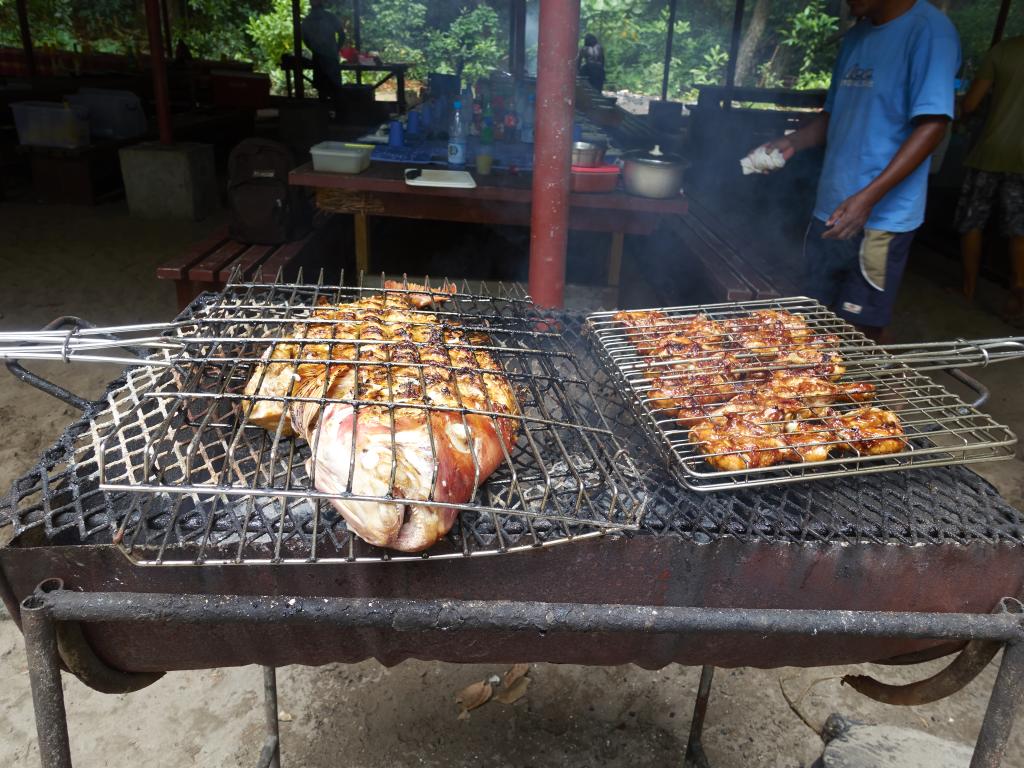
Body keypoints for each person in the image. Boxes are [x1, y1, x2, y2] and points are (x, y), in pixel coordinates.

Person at [756, 0, 960, 338]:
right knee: (810, 317)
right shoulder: (856, 36)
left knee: (857, 330)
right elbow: (833, 116)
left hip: (879, 220)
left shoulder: (930, 32)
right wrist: (792, 142)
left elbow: (932, 126)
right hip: (830, 210)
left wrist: (868, 198)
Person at [955, 35, 1024, 322]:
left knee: (973, 221)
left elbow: (970, 104)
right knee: (1019, 228)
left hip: (990, 151)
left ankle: (968, 289)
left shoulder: (1004, 50)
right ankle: (1018, 287)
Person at [301, 0, 345, 103]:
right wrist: (336, 49)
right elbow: (342, 35)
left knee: (322, 90)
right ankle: (337, 110)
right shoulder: (330, 17)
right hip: (331, 57)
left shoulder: (307, 20)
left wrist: (313, 49)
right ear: (322, 5)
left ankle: (323, 110)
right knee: (335, 89)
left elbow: (305, 39)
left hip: (318, 57)